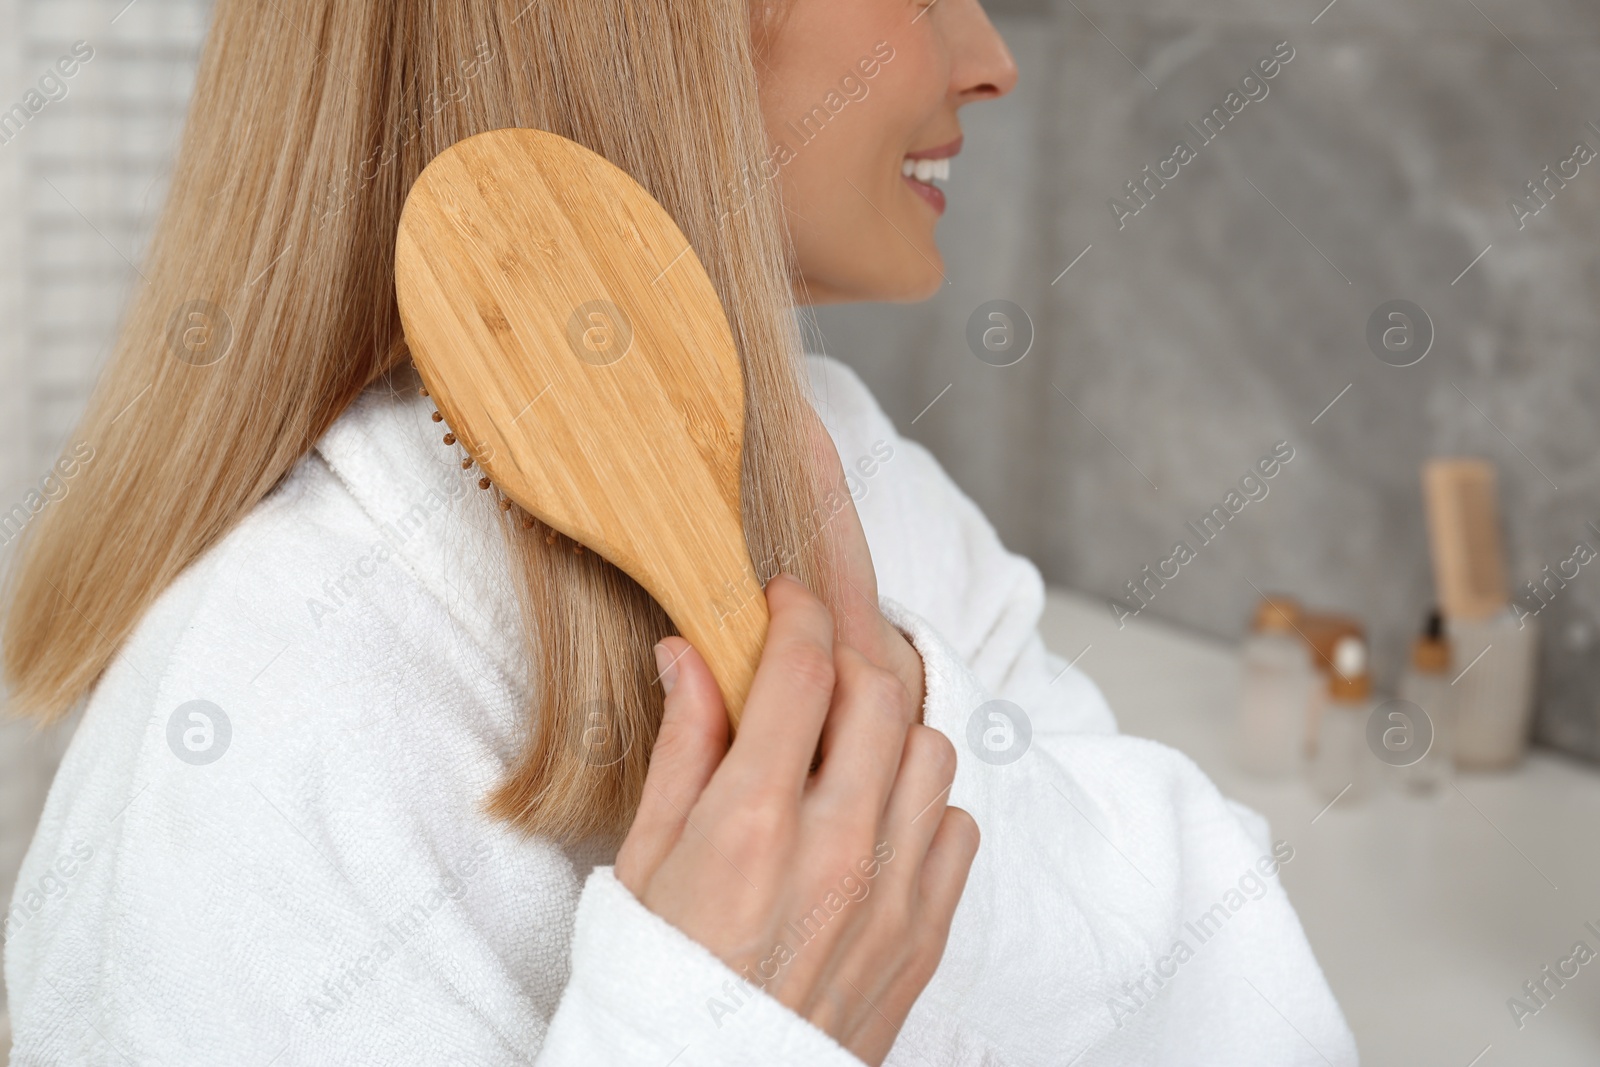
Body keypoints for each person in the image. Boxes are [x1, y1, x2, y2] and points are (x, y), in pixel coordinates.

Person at [2, 1, 1357, 1064]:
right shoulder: (252, 730)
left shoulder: (868, 479)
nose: (993, 59)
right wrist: (722, 1030)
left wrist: (893, 726)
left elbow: (1233, 980)